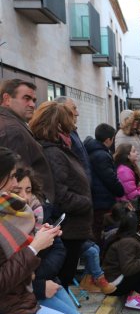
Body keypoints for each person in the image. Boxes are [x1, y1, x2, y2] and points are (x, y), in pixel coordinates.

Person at [0, 147, 98, 314]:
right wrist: (34, 247)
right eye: (14, 176)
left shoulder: (10, 212)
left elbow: (19, 260)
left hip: (23, 304)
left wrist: (40, 239)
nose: (17, 184)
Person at [29, 102, 94, 288]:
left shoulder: (58, 149)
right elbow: (61, 195)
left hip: (71, 228)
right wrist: (86, 202)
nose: (72, 127)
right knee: (61, 281)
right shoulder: (54, 152)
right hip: (68, 229)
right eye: (68, 123)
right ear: (57, 125)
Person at [0, 79, 54, 202]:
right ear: (7, 99)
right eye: (26, 98)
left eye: (34, 100)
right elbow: (16, 182)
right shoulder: (12, 131)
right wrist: (35, 209)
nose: (32, 104)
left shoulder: (13, 125)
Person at [84, 123, 125, 241]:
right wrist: (120, 190)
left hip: (98, 198)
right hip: (102, 200)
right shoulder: (101, 155)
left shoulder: (94, 151)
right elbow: (110, 178)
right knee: (100, 230)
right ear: (108, 140)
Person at [54, 96, 92, 181]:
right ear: (62, 110)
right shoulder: (61, 135)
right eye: (73, 109)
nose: (77, 113)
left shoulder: (71, 131)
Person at [115, 109, 140, 182]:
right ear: (126, 121)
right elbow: (121, 157)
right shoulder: (121, 135)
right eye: (133, 120)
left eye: (137, 120)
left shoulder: (136, 133)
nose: (136, 122)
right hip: (132, 176)